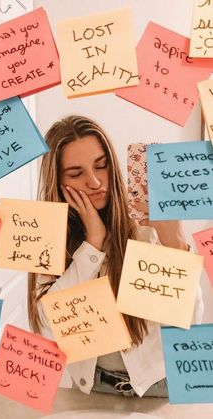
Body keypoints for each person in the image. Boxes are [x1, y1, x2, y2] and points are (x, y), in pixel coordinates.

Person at [28, 115, 204, 398]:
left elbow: (190, 321)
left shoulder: (148, 227)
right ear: (57, 182)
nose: (95, 181)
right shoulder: (47, 236)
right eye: (76, 173)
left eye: (101, 165)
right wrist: (92, 246)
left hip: (159, 386)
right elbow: (48, 325)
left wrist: (175, 243)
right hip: (91, 387)